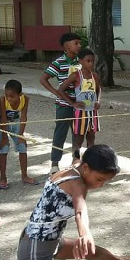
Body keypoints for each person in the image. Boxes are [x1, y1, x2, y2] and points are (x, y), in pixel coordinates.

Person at [39, 33, 82, 175]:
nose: (79, 46)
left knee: (77, 134)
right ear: (66, 46)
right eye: (76, 43)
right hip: (63, 104)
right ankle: (54, 164)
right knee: (60, 134)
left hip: (79, 104)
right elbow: (44, 79)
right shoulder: (58, 62)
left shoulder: (80, 62)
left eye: (79, 43)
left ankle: (75, 160)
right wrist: (56, 92)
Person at [57, 49, 101, 165]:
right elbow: (61, 90)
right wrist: (72, 103)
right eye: (88, 61)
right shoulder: (76, 75)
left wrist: (98, 101)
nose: (91, 63)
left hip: (92, 112)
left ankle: (90, 162)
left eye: (92, 61)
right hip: (80, 112)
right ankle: (75, 162)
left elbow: (98, 90)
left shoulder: (95, 76)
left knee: (91, 137)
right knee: (78, 139)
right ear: (81, 61)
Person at [0, 80, 38, 189]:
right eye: (7, 95)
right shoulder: (2, 100)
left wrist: (20, 135)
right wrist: (4, 137)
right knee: (4, 149)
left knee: (22, 147)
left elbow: (23, 117)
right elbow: (3, 118)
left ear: (20, 95)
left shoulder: (25, 99)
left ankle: (24, 176)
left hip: (16, 121)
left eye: (12, 96)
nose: (9, 98)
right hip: (1, 122)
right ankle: (3, 178)